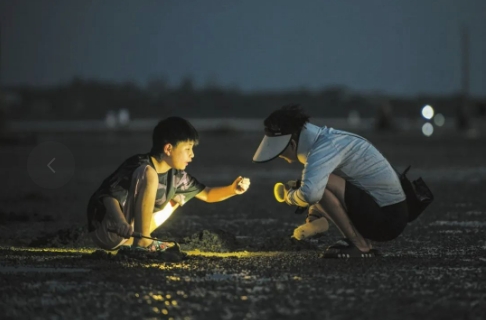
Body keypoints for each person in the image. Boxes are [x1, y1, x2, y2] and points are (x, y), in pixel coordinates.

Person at [252, 105, 408, 258]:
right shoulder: (326, 139)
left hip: (388, 219)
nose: (281, 157)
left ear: (292, 144)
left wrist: (289, 196)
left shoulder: (323, 148)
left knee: (318, 184)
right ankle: (329, 226)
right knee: (315, 181)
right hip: (388, 211)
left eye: (281, 152)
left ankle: (360, 245)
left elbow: (310, 194)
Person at [87, 116, 250, 253]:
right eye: (188, 148)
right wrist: (120, 222)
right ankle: (144, 243)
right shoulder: (139, 165)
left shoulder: (177, 176)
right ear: (168, 148)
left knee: (178, 197)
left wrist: (233, 189)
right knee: (149, 174)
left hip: (128, 235)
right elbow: (109, 197)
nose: (192, 155)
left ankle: (139, 240)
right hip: (108, 228)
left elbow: (207, 194)